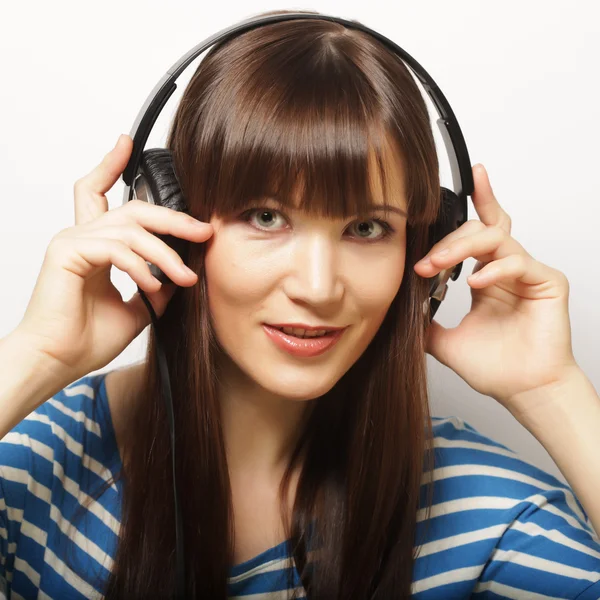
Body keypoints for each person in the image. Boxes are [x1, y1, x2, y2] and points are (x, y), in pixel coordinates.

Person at [1, 10, 599, 600]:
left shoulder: (482, 513)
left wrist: (550, 389)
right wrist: (38, 354)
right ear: (169, 221)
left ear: (426, 251)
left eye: (367, 228)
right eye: (266, 217)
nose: (318, 287)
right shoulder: (37, 458)